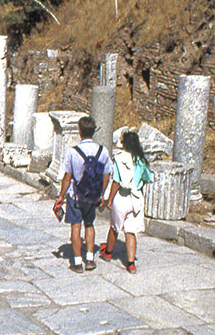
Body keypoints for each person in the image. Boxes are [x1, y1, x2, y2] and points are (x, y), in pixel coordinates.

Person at [53, 115, 112, 272]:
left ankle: (78, 262)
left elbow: (67, 177)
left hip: (75, 195)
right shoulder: (103, 151)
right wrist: (102, 194)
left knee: (76, 227)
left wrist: (61, 196)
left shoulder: (73, 152)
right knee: (90, 225)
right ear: (93, 132)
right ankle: (90, 259)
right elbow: (107, 175)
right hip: (93, 195)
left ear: (80, 131)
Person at [101, 130, 152, 274]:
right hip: (136, 198)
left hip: (122, 197)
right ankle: (131, 264)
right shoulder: (141, 160)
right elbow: (147, 178)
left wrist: (110, 199)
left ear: (124, 144)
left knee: (115, 227)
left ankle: (108, 252)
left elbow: (116, 181)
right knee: (130, 232)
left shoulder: (119, 158)